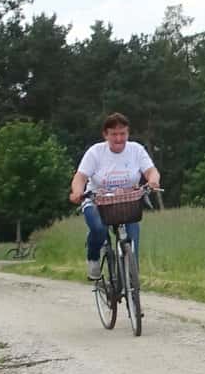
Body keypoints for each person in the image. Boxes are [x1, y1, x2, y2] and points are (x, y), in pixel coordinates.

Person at [69, 112, 162, 282]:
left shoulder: (136, 150)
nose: (119, 139)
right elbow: (80, 177)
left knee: (133, 239)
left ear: (128, 133)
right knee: (99, 229)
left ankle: (131, 280)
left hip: (127, 201)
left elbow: (151, 171)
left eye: (123, 134)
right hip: (98, 201)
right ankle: (93, 258)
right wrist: (77, 192)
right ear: (105, 135)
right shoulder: (95, 152)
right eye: (114, 134)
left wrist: (153, 181)